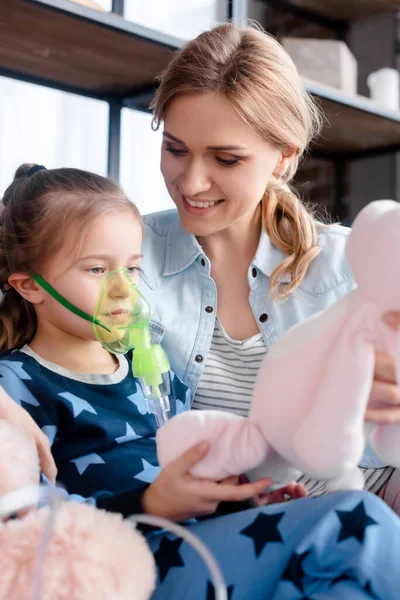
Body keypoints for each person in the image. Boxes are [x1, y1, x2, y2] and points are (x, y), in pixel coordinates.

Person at [1, 166, 400, 599]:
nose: (123, 291)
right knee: (350, 520)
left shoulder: (147, 365)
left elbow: (191, 467)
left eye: (133, 269)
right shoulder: (15, 388)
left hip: (201, 546)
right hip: (127, 565)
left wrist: (243, 500)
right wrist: (151, 506)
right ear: (29, 287)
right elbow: (26, 526)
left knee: (341, 587)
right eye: (97, 270)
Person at [141, 21, 400, 502]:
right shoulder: (121, 261)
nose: (192, 182)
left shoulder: (355, 264)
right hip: (226, 538)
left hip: (368, 517)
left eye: (226, 159)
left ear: (283, 156)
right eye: (175, 149)